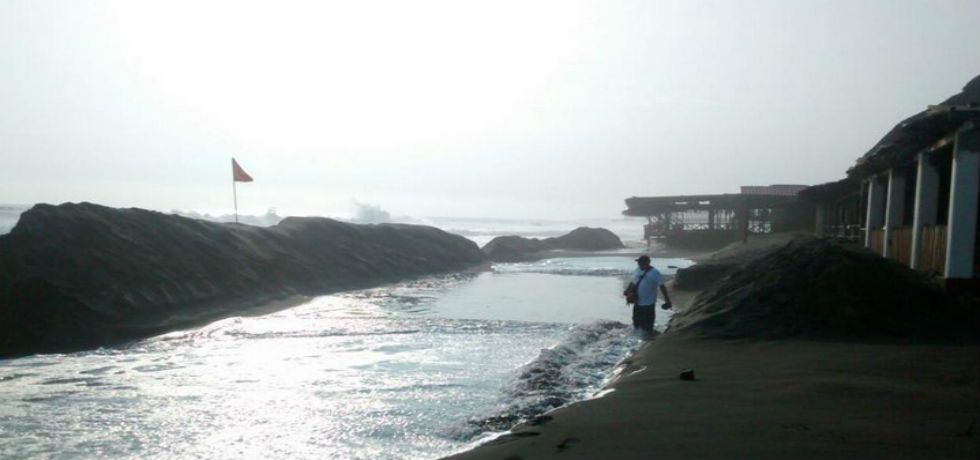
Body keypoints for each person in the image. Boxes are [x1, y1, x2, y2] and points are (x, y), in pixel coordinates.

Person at [624, 255, 672, 333]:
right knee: (636, 324)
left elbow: (662, 287)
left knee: (648, 326)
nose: (639, 264)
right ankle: (638, 340)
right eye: (638, 262)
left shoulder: (655, 273)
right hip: (637, 302)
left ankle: (648, 341)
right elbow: (633, 282)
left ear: (647, 263)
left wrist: (667, 301)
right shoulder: (637, 270)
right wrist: (627, 290)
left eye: (641, 262)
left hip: (649, 304)